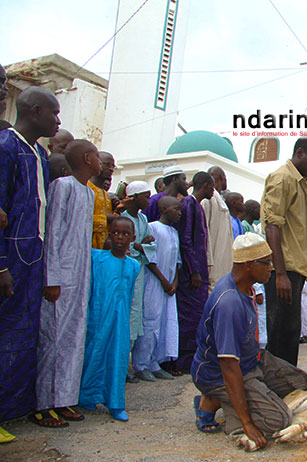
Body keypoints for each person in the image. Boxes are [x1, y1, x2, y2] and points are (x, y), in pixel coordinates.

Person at [191, 233, 307, 448]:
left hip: (251, 361)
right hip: (220, 373)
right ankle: (216, 402)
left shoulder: (247, 288)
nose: (271, 268)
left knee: (300, 382)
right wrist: (248, 423)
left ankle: (245, 397)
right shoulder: (229, 303)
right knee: (279, 420)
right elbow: (228, 365)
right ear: (248, 265)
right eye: (266, 263)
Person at [0, 87, 58, 440]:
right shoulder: (6, 147)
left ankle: (12, 409)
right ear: (35, 111)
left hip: (32, 259)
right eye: (54, 112)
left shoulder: (37, 152)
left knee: (23, 335)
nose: (58, 120)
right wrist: (1, 265)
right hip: (11, 261)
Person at [34, 139, 101, 427]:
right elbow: (53, 235)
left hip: (79, 278)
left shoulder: (87, 193)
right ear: (87, 158)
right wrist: (52, 278)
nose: (100, 162)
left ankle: (63, 399)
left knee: (73, 339)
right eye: (97, 156)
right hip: (59, 280)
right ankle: (42, 404)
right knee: (53, 339)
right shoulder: (62, 187)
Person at [261, 137, 307, 366]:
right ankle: (274, 386)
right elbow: (272, 225)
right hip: (283, 268)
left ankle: (286, 383)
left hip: (296, 268)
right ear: (300, 152)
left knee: (290, 332)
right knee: (279, 333)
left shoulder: (303, 184)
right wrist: (280, 274)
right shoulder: (283, 178)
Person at [79, 217, 140, 421]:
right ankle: (86, 396)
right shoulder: (97, 259)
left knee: (118, 359)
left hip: (120, 322)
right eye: (115, 233)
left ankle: (115, 403)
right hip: (98, 319)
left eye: (124, 234)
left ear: (132, 238)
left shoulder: (133, 266)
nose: (119, 238)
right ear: (109, 235)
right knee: (94, 354)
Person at [132, 196, 182, 382]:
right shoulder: (152, 227)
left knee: (164, 323)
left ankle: (155, 362)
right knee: (150, 321)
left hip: (169, 286)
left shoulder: (174, 232)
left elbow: (177, 262)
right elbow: (149, 258)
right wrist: (163, 280)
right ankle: (141, 364)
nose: (179, 213)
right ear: (163, 209)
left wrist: (174, 282)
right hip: (154, 282)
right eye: (176, 209)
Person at [174, 171, 214, 373]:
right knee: (189, 316)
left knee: (198, 314)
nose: (213, 191)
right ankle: (183, 360)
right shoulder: (189, 204)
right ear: (205, 185)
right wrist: (194, 271)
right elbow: (186, 240)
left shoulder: (197, 206)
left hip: (198, 270)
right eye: (212, 186)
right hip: (191, 274)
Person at [120, 181, 157, 370]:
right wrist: (139, 245)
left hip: (140, 270)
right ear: (134, 198)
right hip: (125, 271)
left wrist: (140, 245)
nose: (148, 201)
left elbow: (151, 244)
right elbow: (127, 246)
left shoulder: (143, 220)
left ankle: (129, 365)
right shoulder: (123, 218)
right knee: (126, 312)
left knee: (136, 312)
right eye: (145, 196)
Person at [201, 166, 234, 293]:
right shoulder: (208, 199)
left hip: (223, 261)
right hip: (213, 261)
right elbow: (204, 232)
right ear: (222, 178)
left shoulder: (219, 199)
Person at [88, 151, 117, 249]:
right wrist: (106, 219)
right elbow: (81, 220)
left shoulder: (106, 194)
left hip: (102, 252)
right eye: (107, 164)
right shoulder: (86, 189)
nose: (111, 169)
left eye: (113, 166)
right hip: (87, 248)